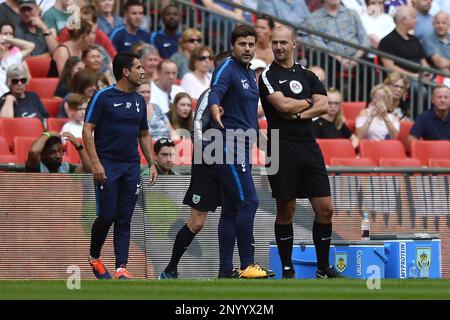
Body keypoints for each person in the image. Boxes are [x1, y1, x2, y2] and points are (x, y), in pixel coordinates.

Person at [259, 25, 341, 279]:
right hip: (281, 147)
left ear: (294, 44)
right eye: (275, 42)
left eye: (284, 42)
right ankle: (287, 268)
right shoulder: (267, 76)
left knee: (325, 208)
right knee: (286, 209)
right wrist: (308, 103)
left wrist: (297, 112)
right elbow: (281, 106)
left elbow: (324, 106)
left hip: (308, 146)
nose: (279, 47)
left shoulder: (308, 75)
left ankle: (323, 268)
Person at [82, 52, 157, 280]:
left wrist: (151, 162)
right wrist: (95, 163)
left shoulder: (138, 101)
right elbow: (87, 130)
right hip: (107, 165)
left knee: (124, 218)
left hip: (131, 167)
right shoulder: (103, 97)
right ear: (126, 71)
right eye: (138, 67)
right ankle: (94, 257)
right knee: (107, 216)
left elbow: (143, 134)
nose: (143, 71)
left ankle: (121, 267)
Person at [209, 25, 274, 279]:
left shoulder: (249, 74)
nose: (247, 49)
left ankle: (226, 270)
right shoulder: (227, 68)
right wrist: (215, 108)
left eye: (251, 45)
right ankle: (247, 265)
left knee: (231, 209)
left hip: (242, 145)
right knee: (249, 201)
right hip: (228, 145)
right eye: (242, 44)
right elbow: (216, 91)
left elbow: (247, 115)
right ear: (233, 46)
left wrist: (264, 142)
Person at [159, 51, 230, 280]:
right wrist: (208, 154)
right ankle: (170, 268)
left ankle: (227, 271)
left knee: (236, 214)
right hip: (208, 165)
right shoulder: (210, 95)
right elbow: (196, 127)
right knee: (197, 221)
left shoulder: (241, 96)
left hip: (231, 163)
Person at [25, 131, 91, 173]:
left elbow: (89, 171)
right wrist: (48, 134)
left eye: (60, 150)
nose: (58, 156)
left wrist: (78, 145)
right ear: (43, 154)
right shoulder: (36, 167)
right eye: (52, 152)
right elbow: (34, 151)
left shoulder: (65, 167)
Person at [136, 76, 172, 141]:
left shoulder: (157, 107)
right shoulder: (133, 111)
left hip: (168, 145)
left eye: (148, 92)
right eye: (142, 92)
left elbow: (171, 130)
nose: (146, 95)